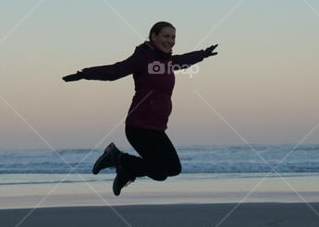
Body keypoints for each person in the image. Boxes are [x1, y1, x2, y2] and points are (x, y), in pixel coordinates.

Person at [63, 21, 218, 196]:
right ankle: (117, 157)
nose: (170, 41)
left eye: (173, 37)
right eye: (166, 36)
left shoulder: (167, 61)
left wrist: (203, 54)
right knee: (159, 172)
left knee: (174, 169)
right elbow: (116, 71)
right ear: (153, 36)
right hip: (139, 127)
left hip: (157, 128)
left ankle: (126, 170)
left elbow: (182, 60)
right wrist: (85, 74)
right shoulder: (143, 58)